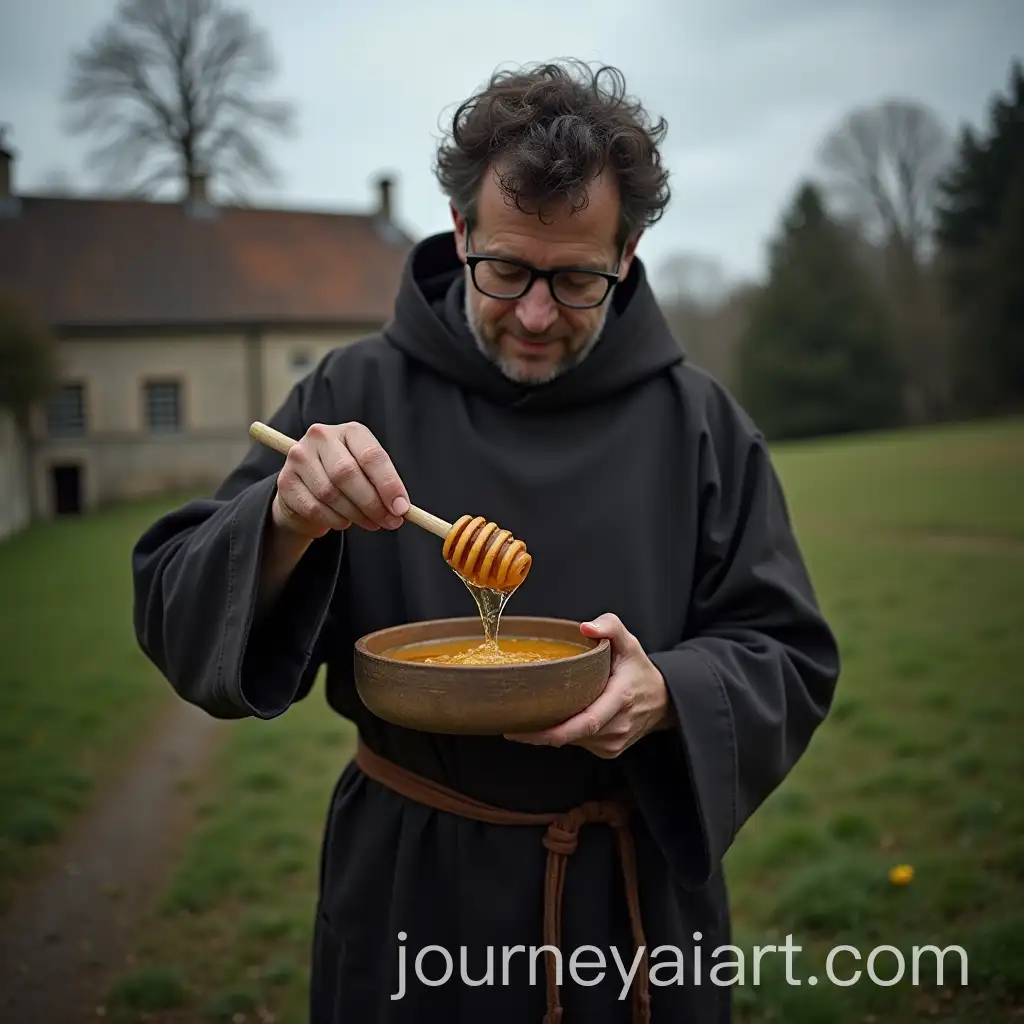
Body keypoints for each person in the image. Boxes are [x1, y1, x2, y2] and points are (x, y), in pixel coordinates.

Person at [132, 60, 840, 1023]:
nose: (537, 315)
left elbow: (787, 653)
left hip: (627, 910)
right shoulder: (351, 397)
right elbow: (172, 600)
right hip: (410, 893)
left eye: (578, 278)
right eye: (505, 270)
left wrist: (672, 693)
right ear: (460, 232)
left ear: (627, 256)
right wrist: (285, 520)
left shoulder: (700, 423)